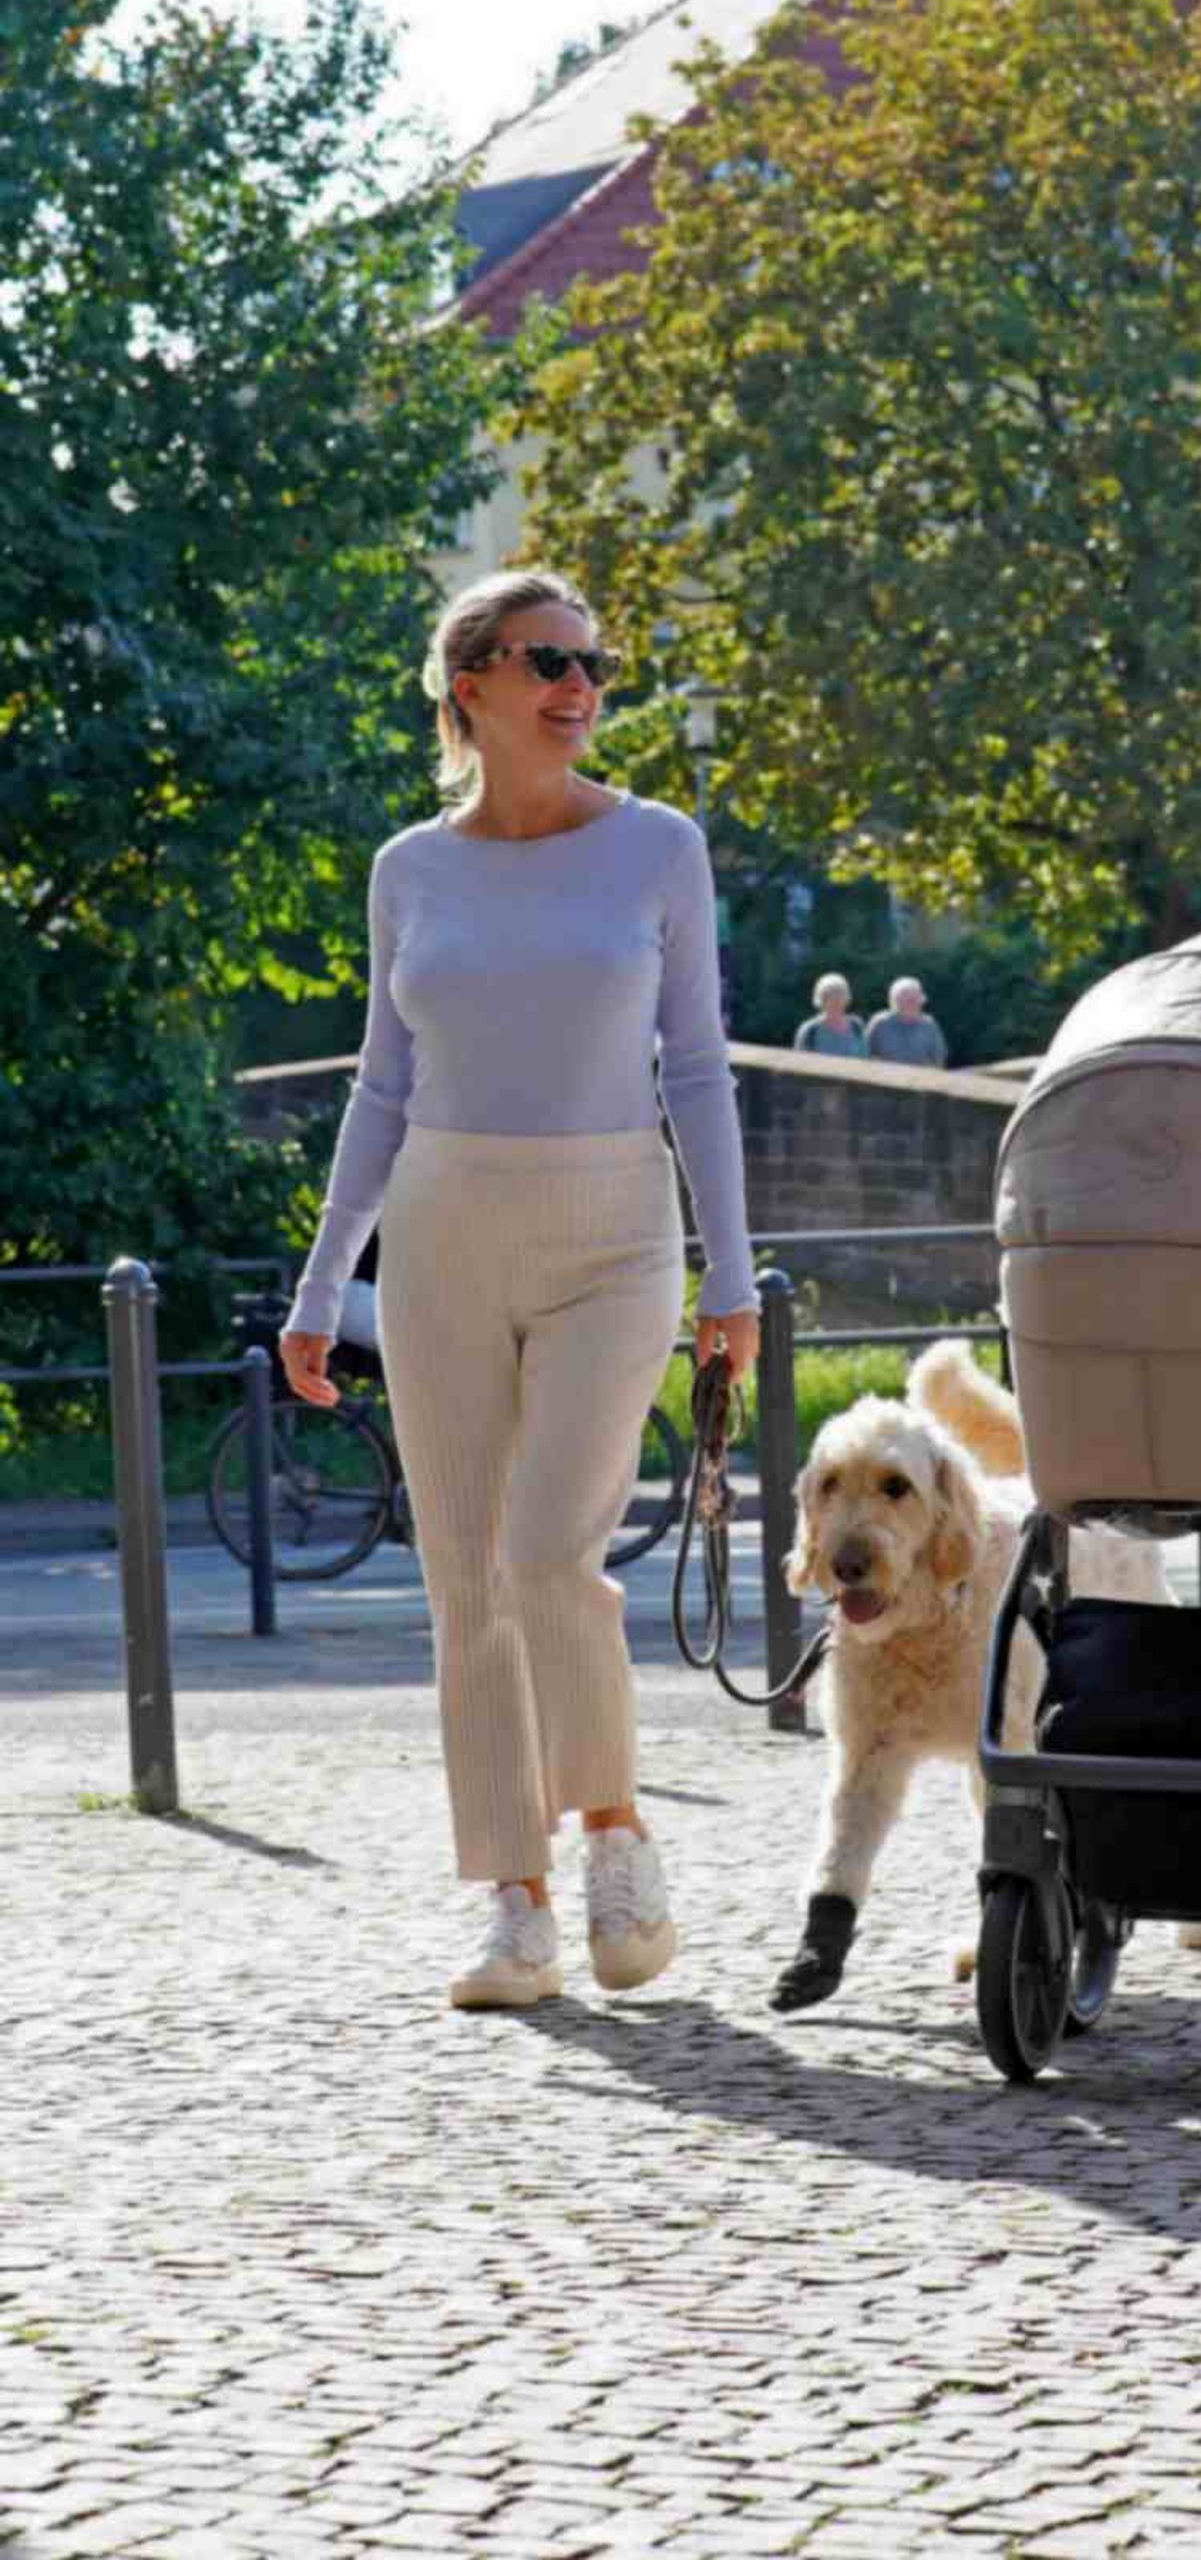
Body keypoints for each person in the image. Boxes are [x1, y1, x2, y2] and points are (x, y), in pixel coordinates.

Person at [280, 567, 760, 2012]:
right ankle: (515, 1896)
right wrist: (319, 1290)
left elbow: (697, 1067)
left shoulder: (658, 847)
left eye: (592, 665)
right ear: (468, 684)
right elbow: (379, 1086)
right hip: (440, 1228)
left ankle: (614, 1834)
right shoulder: (407, 871)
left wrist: (729, 1272)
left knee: (552, 1554)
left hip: (616, 1227)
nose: (578, 687)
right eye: (546, 660)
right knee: (464, 1582)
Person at [863, 976, 948, 1068]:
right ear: (895, 1002)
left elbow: (938, 1060)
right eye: (908, 1000)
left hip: (920, 1079)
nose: (913, 1004)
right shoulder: (880, 1023)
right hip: (884, 1078)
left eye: (915, 1000)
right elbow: (866, 1055)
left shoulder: (929, 1025)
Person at [792, 973, 865, 1057]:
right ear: (822, 999)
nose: (838, 1000)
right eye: (832, 996)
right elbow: (800, 1063)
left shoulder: (856, 1027)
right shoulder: (810, 1030)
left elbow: (865, 1059)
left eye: (841, 994)